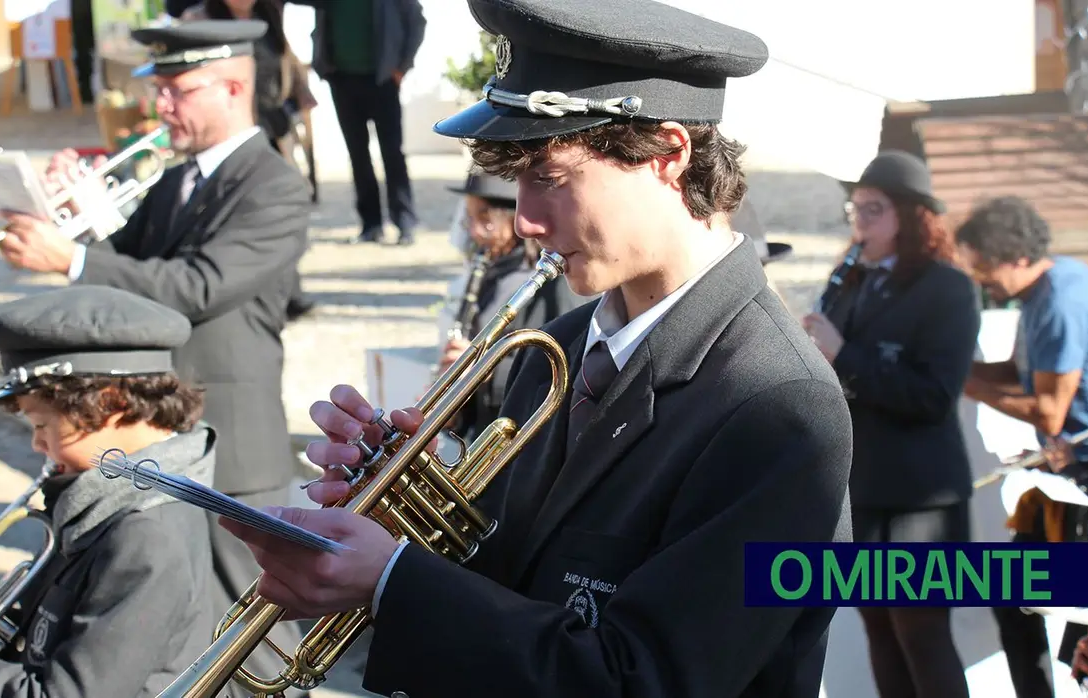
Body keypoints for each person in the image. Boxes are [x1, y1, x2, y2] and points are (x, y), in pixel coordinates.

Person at [219, 1, 855, 696]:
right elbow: (518, 590)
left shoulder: (783, 408)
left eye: (549, 178)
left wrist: (395, 580)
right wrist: (411, 518)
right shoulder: (554, 347)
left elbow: (646, 680)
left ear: (670, 155)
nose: (522, 219)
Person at [0, 19, 311, 691]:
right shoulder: (175, 182)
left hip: (232, 441)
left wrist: (73, 258)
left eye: (178, 89)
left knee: (256, 637)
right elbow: (126, 276)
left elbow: (196, 288)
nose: (161, 106)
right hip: (161, 437)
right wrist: (73, 219)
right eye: (159, 89)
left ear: (232, 87)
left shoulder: (273, 185)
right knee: (172, 635)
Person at [0, 286, 220, 697]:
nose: (37, 444)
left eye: (41, 425)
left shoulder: (147, 537)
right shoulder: (106, 498)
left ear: (109, 402)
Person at [799, 150, 980, 698]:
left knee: (922, 633)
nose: (860, 222)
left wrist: (844, 353)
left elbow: (934, 395)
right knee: (878, 628)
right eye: (856, 209)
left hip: (920, 497)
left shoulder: (948, 288)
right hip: (866, 490)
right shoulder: (854, 279)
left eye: (874, 210)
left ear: (911, 215)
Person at [954, 194, 1088, 698]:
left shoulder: (1060, 301)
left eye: (986, 268)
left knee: (1018, 588)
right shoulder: (1051, 286)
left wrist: (961, 383)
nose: (981, 279)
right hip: (1075, 479)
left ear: (1017, 256)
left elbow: (1048, 411)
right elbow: (1019, 376)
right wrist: (952, 369)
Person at [181, 0, 320, 318]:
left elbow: (286, 55)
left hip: (272, 127)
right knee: (239, 212)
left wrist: (301, 91)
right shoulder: (200, 19)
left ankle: (289, 290)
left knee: (280, 212)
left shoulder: (268, 13)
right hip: (230, 134)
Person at [437, 169, 590, 442]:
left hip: (528, 440)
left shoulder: (555, 280)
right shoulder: (488, 271)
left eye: (484, 220)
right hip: (488, 435)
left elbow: (569, 368)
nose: (473, 231)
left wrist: (485, 372)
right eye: (469, 219)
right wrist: (455, 409)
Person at [286, 0, 427, 245]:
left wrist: (402, 66)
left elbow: (417, 21)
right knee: (357, 155)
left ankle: (404, 222)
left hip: (383, 80)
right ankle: (370, 225)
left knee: (392, 153)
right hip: (342, 80)